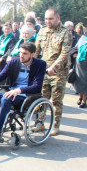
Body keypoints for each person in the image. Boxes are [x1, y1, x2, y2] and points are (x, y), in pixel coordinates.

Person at [0, 42, 46, 139]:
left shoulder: (40, 64)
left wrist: (19, 90)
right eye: (21, 52)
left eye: (25, 53)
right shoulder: (14, 62)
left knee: (5, 99)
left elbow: (37, 86)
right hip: (11, 92)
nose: (21, 56)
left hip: (26, 95)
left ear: (32, 54)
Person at [34, 8, 72, 136]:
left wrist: (53, 68)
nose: (48, 21)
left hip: (58, 73)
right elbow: (36, 50)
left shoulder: (65, 32)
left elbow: (64, 54)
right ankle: (40, 123)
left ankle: (55, 125)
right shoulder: (42, 30)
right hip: (44, 71)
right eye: (46, 19)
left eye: (50, 19)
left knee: (56, 100)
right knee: (41, 98)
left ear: (58, 18)